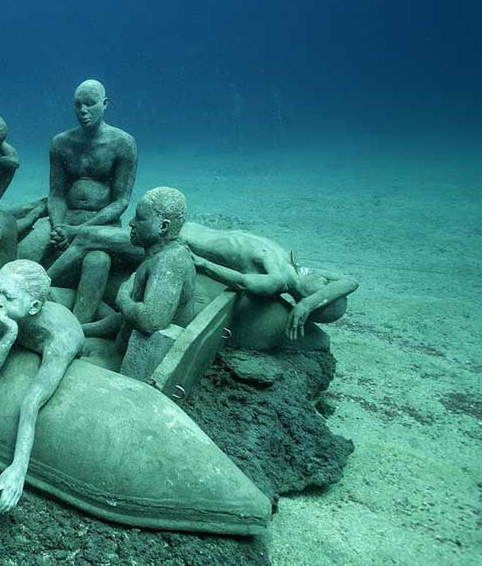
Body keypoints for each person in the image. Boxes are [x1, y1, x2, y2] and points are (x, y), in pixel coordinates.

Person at [0, 260, 85, 513]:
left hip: (51, 337)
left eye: (7, 296)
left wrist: (18, 468)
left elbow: (32, 403)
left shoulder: (62, 339)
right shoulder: (8, 312)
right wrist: (9, 334)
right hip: (21, 325)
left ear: (34, 306)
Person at [18, 79, 137, 324]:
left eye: (90, 104)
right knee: (29, 248)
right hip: (65, 216)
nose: (83, 111)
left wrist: (79, 231)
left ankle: (78, 325)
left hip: (103, 221)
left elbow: (121, 201)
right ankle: (18, 300)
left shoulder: (123, 143)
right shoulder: (61, 143)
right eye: (77, 105)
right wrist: (58, 225)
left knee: (98, 260)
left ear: (104, 104)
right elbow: (57, 193)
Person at [182, 222, 358, 340]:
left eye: (324, 286)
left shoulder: (275, 281)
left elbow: (242, 281)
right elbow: (350, 281)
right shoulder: (291, 267)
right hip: (193, 226)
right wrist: (310, 303)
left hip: (186, 237)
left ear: (308, 297)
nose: (324, 279)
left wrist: (202, 263)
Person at [112, 188, 196, 380]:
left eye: (140, 218)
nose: (131, 223)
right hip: (122, 344)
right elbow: (127, 318)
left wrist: (122, 296)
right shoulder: (161, 255)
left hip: (135, 366)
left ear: (163, 226)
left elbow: (150, 320)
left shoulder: (169, 261)